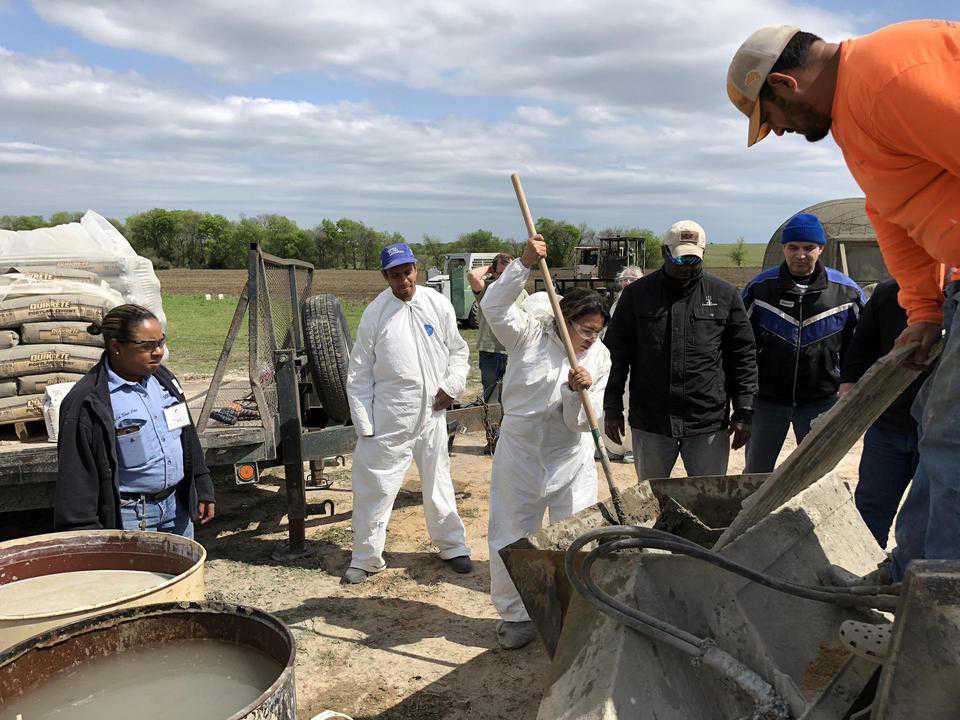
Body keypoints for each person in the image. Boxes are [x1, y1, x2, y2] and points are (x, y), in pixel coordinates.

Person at [727, 20, 960, 589]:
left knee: (953, 434)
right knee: (937, 424)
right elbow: (892, 213)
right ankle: (915, 571)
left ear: (785, 82)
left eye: (772, 117)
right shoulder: (858, 116)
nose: (777, 131)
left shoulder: (889, 78)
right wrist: (925, 310)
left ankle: (943, 588)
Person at [481, 234, 611, 650]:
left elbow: (581, 425)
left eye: (597, 331)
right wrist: (521, 264)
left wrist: (580, 393)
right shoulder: (529, 335)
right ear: (563, 318)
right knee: (512, 532)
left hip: (570, 457)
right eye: (585, 329)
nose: (591, 338)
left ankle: (576, 610)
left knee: (576, 532)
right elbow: (493, 307)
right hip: (520, 450)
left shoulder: (600, 358)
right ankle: (517, 615)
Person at [343, 242, 472, 585]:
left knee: (438, 480)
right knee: (376, 487)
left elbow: (459, 351)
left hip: (432, 414)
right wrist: (365, 424)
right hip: (391, 417)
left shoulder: (437, 304)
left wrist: (453, 385)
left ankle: (452, 546)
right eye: (395, 275)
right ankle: (366, 557)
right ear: (385, 276)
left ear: (416, 268)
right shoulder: (376, 314)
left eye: (408, 272)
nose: (404, 280)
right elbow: (358, 373)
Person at [603, 221, 756, 482]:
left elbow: (742, 356)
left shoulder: (725, 295)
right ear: (665, 252)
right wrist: (612, 406)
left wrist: (743, 410)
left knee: (709, 499)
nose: (687, 266)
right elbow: (614, 356)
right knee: (650, 498)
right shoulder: (637, 295)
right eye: (680, 259)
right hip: (652, 421)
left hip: (706, 421)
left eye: (694, 259)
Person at [54, 304, 215, 536]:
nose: (158, 351)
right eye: (147, 346)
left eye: (161, 342)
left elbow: (186, 436)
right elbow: (76, 477)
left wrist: (201, 482)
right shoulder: (88, 401)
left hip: (177, 509)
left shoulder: (164, 380)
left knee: (181, 573)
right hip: (131, 518)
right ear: (116, 346)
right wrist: (84, 534)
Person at [740, 213, 865, 473]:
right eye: (793, 247)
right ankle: (753, 515)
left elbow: (862, 343)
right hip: (768, 400)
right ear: (783, 248)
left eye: (809, 248)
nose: (801, 254)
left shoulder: (846, 292)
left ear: (821, 248)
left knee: (816, 472)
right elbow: (739, 342)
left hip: (821, 400)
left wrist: (848, 381)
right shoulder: (760, 289)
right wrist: (743, 395)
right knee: (756, 471)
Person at [840, 278, 929, 548]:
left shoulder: (953, 299)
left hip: (937, 432)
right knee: (870, 507)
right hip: (888, 423)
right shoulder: (889, 293)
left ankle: (911, 578)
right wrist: (849, 382)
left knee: (926, 516)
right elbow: (862, 344)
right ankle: (860, 570)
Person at [467, 253, 527, 404]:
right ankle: (493, 428)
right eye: (501, 273)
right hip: (491, 352)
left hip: (514, 351)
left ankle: (508, 427)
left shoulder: (521, 292)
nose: (504, 277)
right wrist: (490, 268)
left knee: (513, 396)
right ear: (494, 272)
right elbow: (473, 275)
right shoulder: (487, 289)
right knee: (492, 397)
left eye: (508, 272)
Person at [602, 265, 643, 462]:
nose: (627, 282)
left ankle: (632, 449)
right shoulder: (617, 303)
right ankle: (615, 447)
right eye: (625, 279)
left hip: (637, 365)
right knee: (614, 404)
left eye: (632, 279)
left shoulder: (645, 302)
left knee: (633, 405)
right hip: (616, 363)